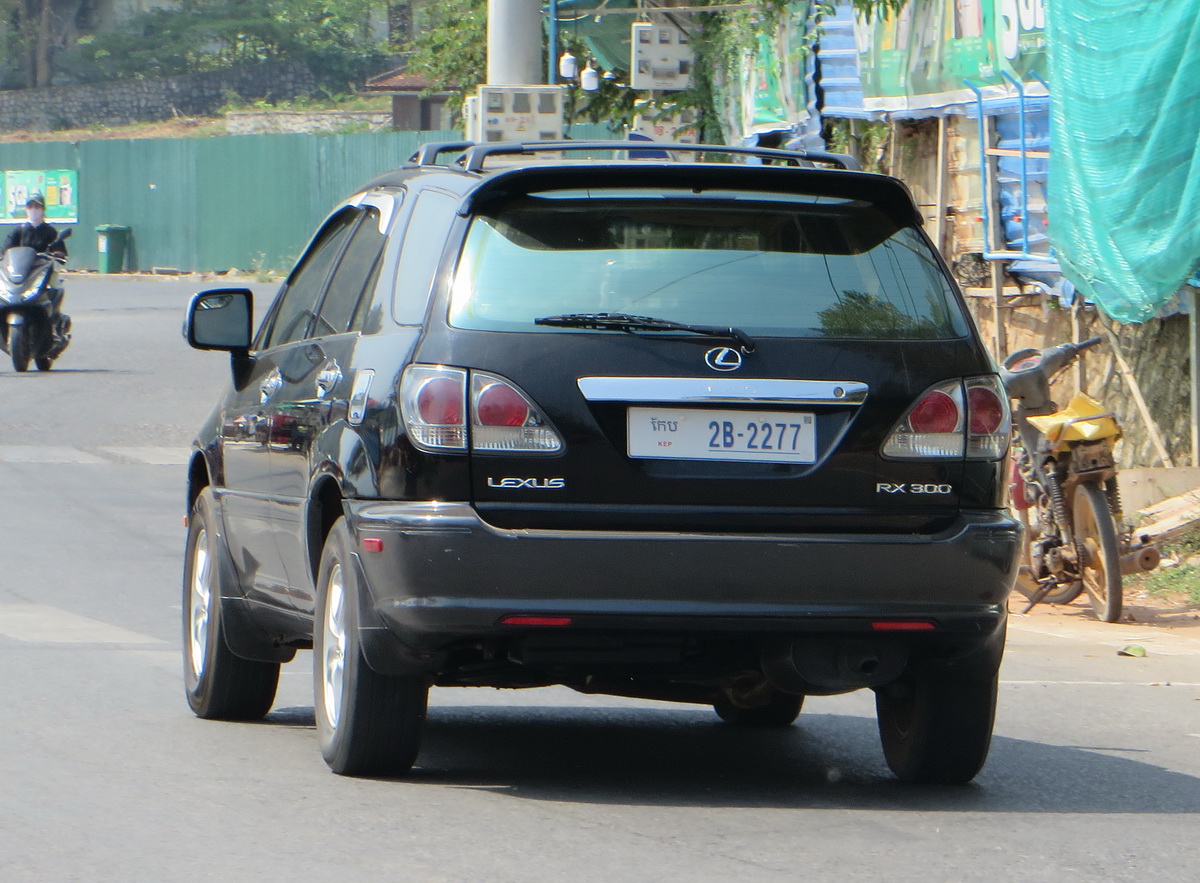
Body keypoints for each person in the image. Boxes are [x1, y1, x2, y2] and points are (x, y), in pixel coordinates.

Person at [4, 193, 67, 257]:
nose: (33, 210)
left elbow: (61, 253)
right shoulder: (19, 231)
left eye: (37, 207)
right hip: (23, 266)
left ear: (43, 209)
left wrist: (56, 253)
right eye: (30, 207)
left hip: (44, 265)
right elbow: (6, 250)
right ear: (26, 210)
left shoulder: (50, 231)